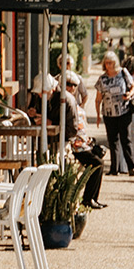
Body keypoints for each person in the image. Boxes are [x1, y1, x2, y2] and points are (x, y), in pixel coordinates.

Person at [47, 76, 106, 208]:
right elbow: (67, 126)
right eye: (69, 84)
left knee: (99, 159)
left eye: (75, 85)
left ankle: (92, 198)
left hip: (82, 142)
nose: (72, 88)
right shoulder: (62, 101)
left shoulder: (72, 101)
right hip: (73, 144)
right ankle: (88, 199)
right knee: (97, 163)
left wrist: (88, 140)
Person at [94, 50, 134, 176]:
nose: (109, 65)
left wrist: (129, 94)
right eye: (107, 63)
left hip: (124, 111)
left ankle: (132, 167)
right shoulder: (102, 79)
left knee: (126, 139)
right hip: (109, 113)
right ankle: (114, 168)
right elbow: (98, 99)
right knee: (112, 141)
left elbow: (133, 87)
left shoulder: (123, 73)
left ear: (115, 63)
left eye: (111, 63)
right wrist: (98, 115)